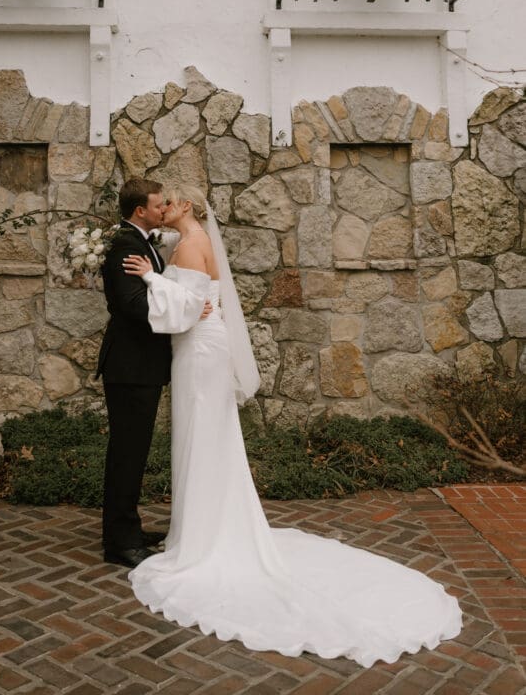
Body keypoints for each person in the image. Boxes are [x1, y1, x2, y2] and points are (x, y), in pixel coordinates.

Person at [121, 183, 463, 669]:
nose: (166, 208)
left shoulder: (194, 243)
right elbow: (191, 300)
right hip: (198, 347)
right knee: (205, 439)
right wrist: (161, 276)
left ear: (189, 209)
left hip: (198, 350)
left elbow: (181, 312)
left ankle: (205, 539)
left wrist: (151, 280)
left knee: (203, 438)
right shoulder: (185, 242)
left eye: (172, 202)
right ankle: (198, 527)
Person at [96, 177, 172, 568]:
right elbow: (133, 305)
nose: (164, 209)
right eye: (159, 205)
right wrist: (179, 312)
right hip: (130, 366)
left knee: (134, 452)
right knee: (126, 454)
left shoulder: (141, 240)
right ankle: (119, 543)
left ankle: (129, 527)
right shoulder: (126, 244)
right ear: (140, 209)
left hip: (139, 365)